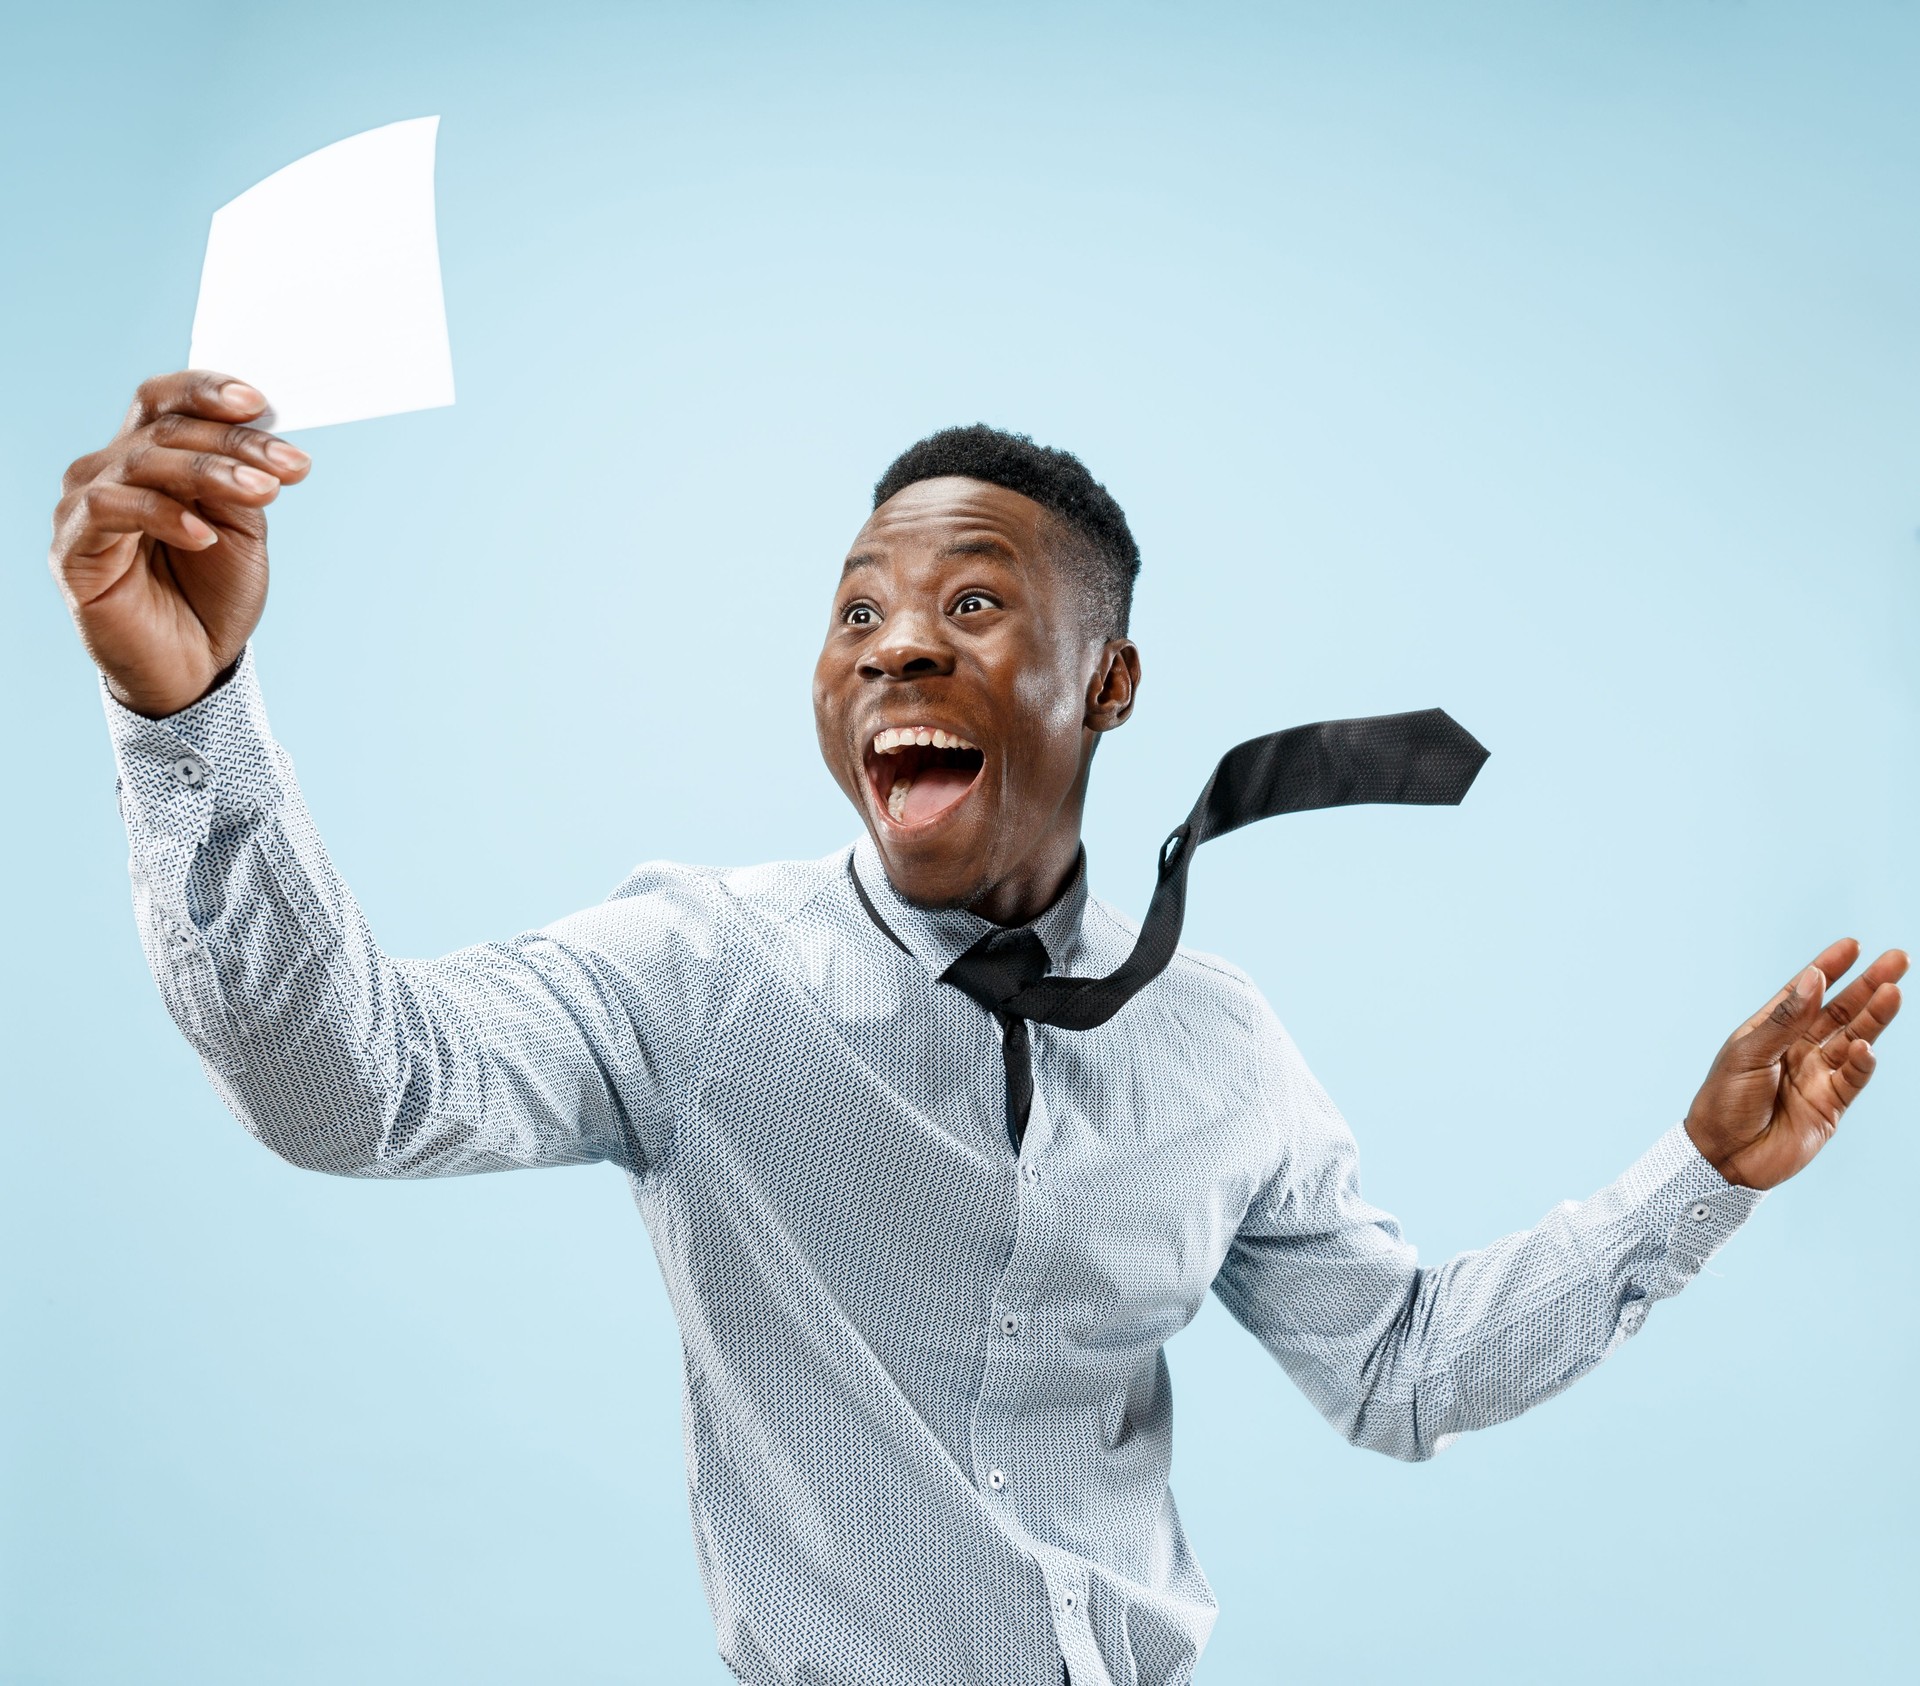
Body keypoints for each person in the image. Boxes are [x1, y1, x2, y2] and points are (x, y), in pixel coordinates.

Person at [49, 372, 1906, 1686]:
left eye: (970, 604)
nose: (892, 647)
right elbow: (352, 1085)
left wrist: (1702, 1179)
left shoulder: (1222, 1047)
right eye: (857, 610)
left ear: (1108, 683)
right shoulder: (689, 973)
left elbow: (1397, 1368)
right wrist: (190, 711)